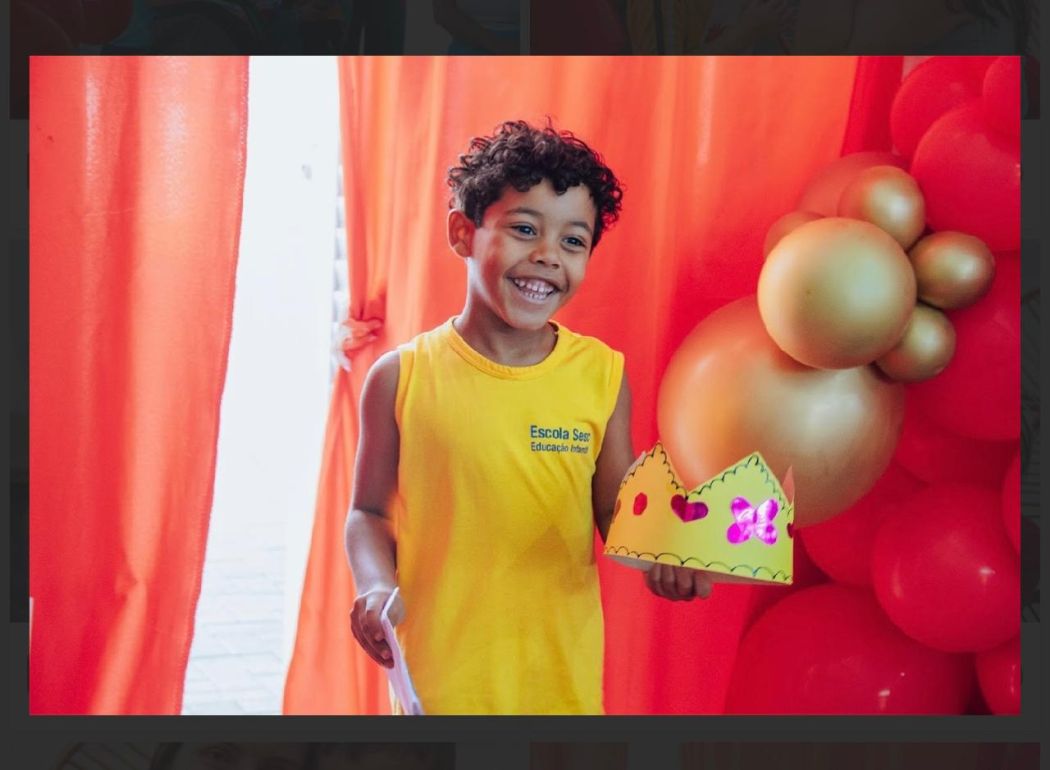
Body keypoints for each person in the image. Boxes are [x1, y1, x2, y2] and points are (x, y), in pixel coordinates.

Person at [346, 120, 713, 715]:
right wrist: (374, 586)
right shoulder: (400, 377)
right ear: (463, 233)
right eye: (524, 229)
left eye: (574, 241)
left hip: (559, 684)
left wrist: (666, 553)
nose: (547, 256)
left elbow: (616, 510)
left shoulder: (601, 374)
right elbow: (367, 513)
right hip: (440, 684)